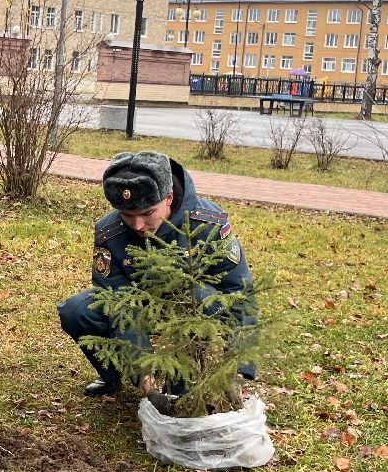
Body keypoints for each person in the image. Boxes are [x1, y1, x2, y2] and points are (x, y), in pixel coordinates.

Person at [58, 150, 254, 397]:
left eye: (148, 213)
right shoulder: (109, 232)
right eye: (127, 215)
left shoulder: (208, 225)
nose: (138, 225)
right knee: (76, 311)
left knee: (180, 393)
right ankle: (115, 375)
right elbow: (117, 302)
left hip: (192, 309)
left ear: (169, 198)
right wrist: (145, 373)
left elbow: (239, 295)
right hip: (137, 307)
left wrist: (239, 371)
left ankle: (182, 380)